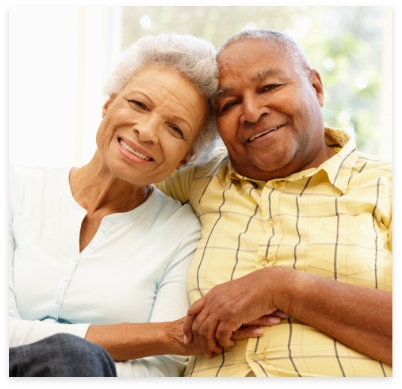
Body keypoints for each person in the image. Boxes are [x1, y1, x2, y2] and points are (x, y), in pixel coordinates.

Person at [8, 32, 268, 377]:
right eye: (139, 104)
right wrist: (160, 335)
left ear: (186, 158)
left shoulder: (181, 233)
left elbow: (159, 370)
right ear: (108, 105)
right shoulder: (12, 189)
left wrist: (85, 363)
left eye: (175, 128)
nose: (146, 131)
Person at [156, 29, 392, 377]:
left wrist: (283, 289)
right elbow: (104, 186)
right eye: (229, 104)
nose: (250, 112)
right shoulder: (191, 181)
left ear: (316, 87)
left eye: (268, 88)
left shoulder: (388, 185)